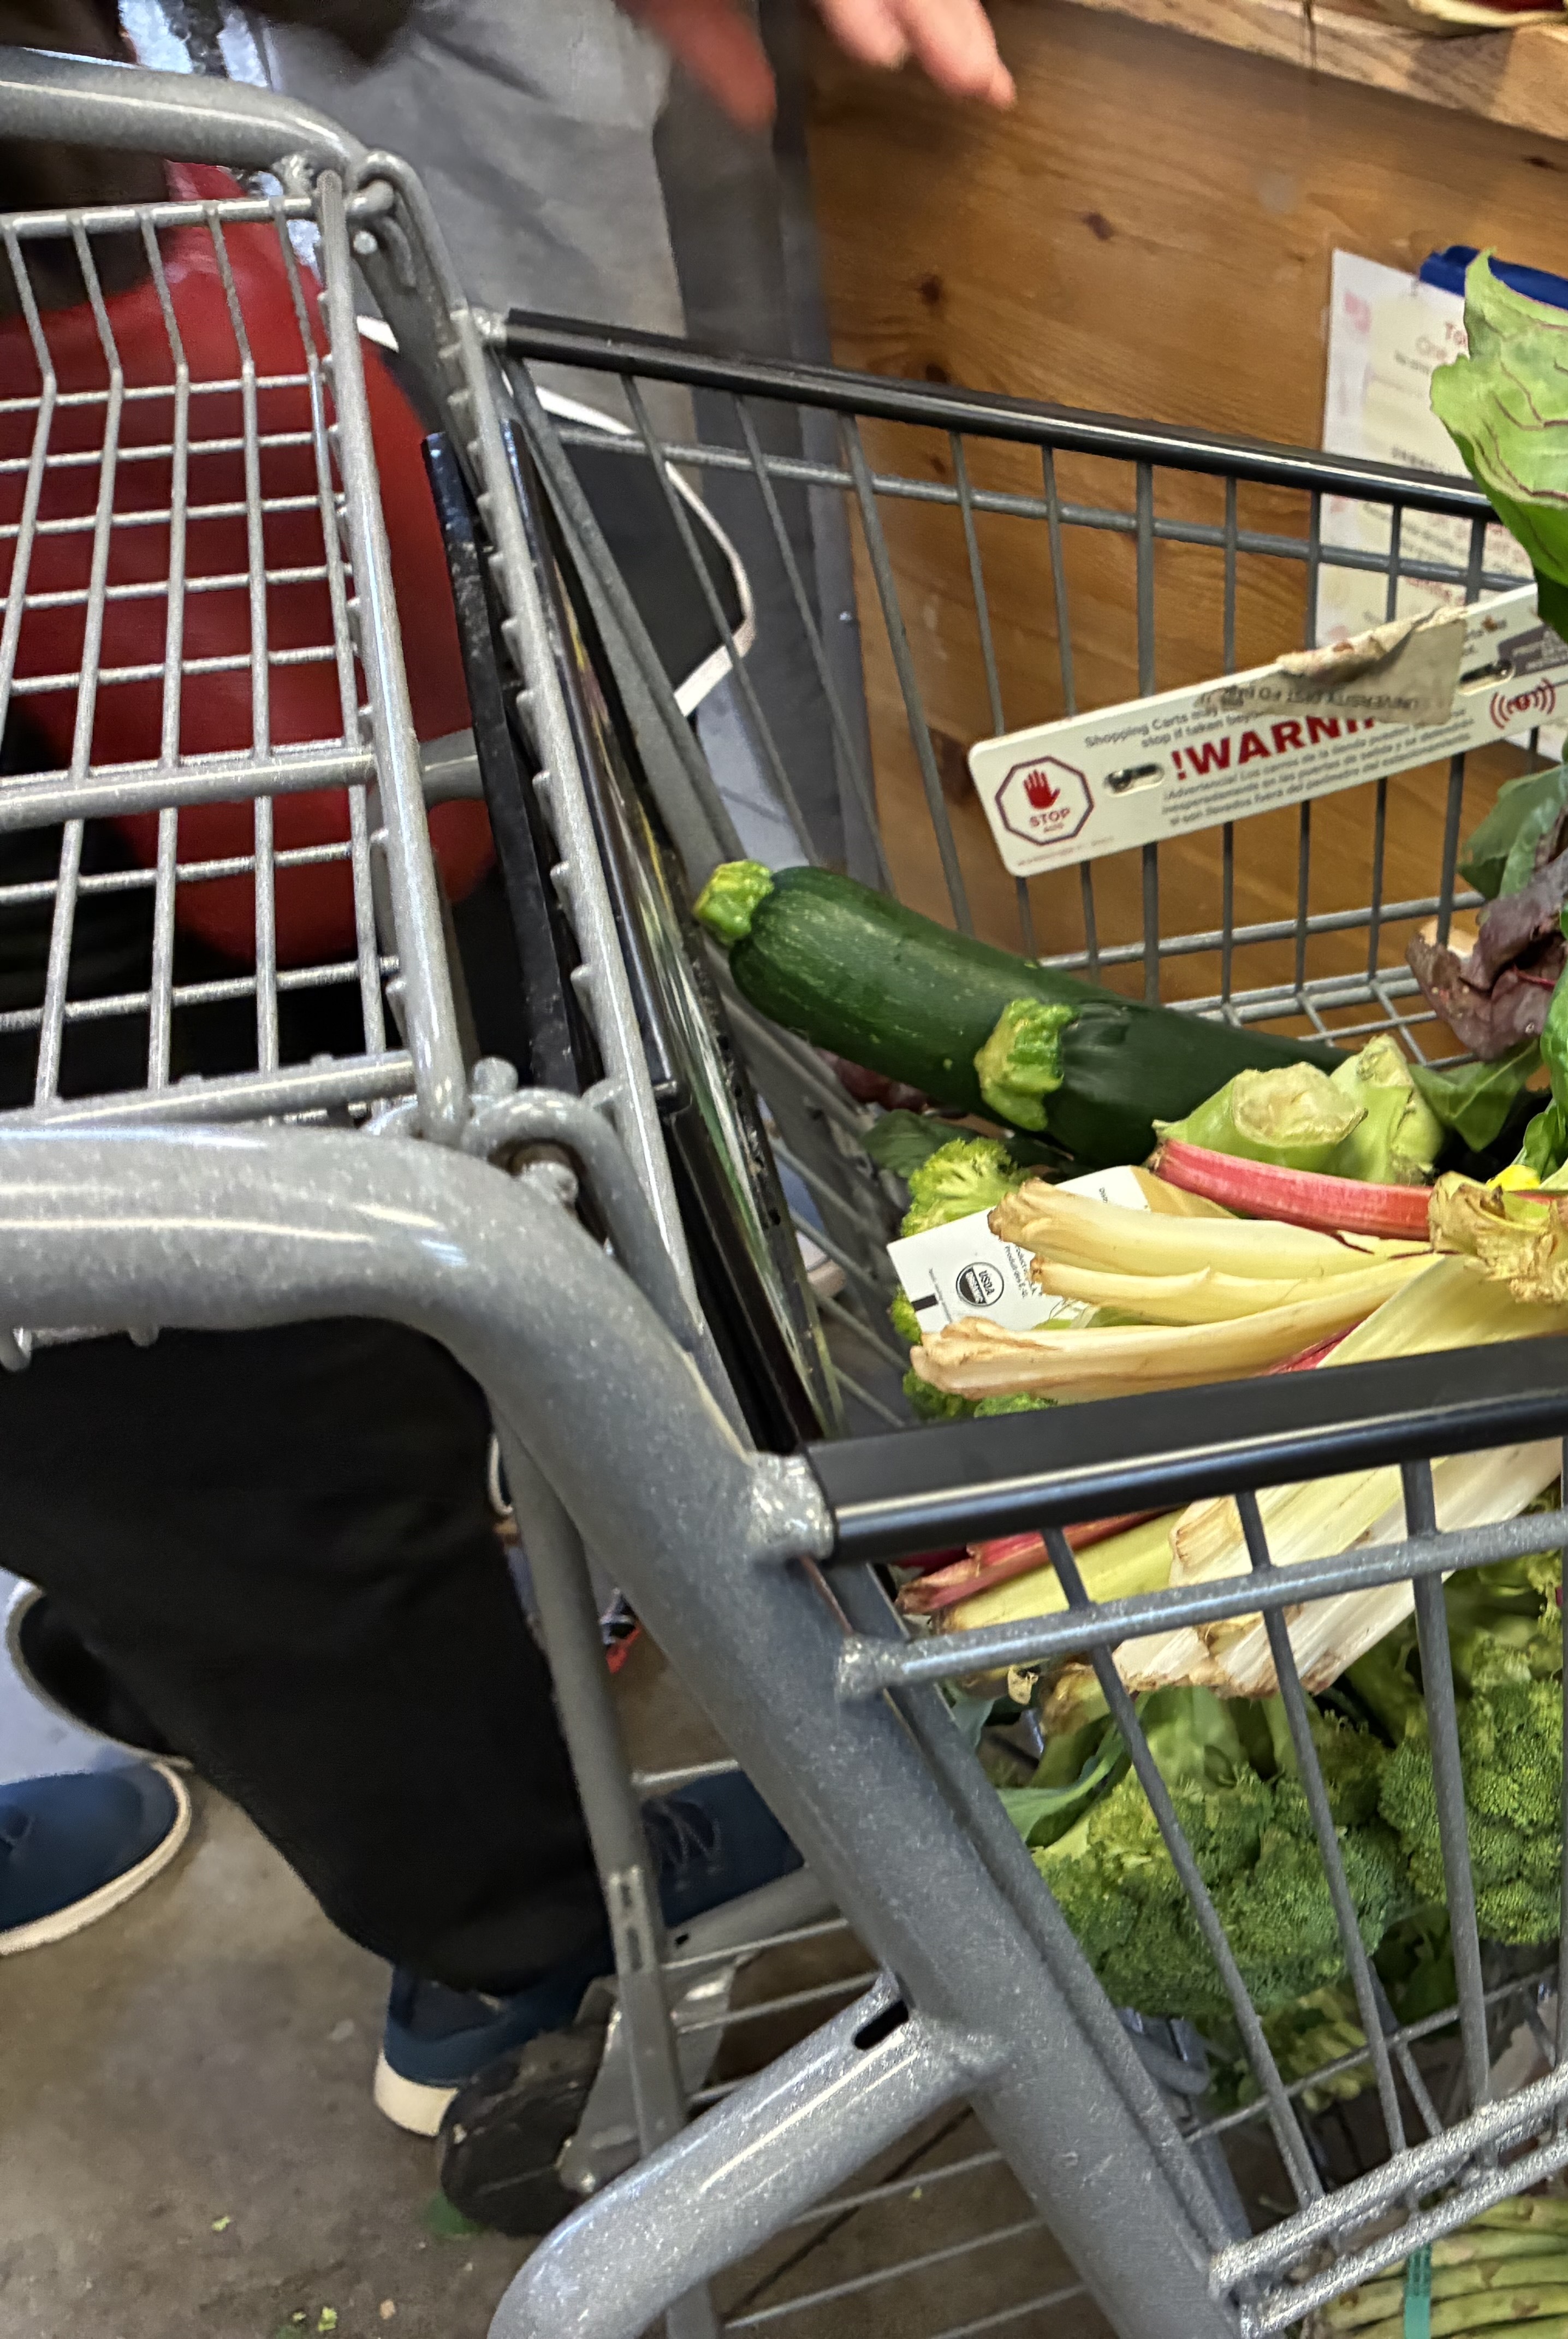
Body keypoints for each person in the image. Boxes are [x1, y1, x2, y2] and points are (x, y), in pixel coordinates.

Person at [0, 0, 1006, 2166]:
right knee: (257, 1402)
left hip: (148, 507)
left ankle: (185, 1639)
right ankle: (516, 1950)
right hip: (139, 792)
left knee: (247, 1378)